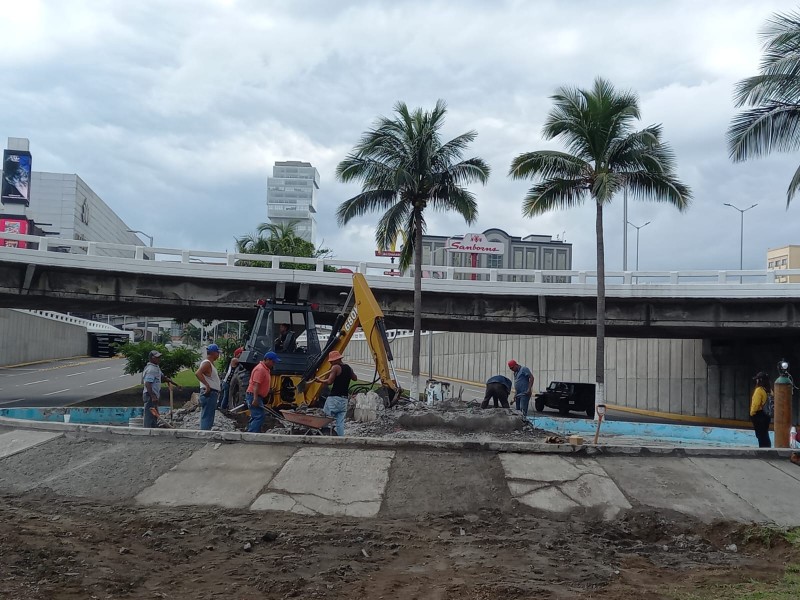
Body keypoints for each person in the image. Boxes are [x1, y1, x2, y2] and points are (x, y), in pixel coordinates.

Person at [314, 350, 356, 436]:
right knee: (340, 423)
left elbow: (329, 382)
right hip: (344, 399)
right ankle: (340, 439)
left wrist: (319, 380)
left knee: (325, 418)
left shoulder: (335, 367)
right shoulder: (348, 368)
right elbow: (355, 378)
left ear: (336, 360)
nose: (331, 363)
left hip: (334, 399)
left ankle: (323, 436)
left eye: (331, 361)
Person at [142, 350, 179, 428]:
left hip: (153, 394)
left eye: (159, 357)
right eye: (157, 357)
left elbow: (162, 377)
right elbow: (147, 383)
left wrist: (175, 384)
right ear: (152, 358)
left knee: (154, 414)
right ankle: (148, 430)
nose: (159, 359)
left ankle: (153, 429)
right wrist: (153, 396)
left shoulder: (156, 367)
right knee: (150, 414)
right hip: (149, 395)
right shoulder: (151, 369)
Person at [245, 351, 280, 433]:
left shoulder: (265, 369)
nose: (274, 364)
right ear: (267, 359)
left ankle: (250, 432)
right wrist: (255, 398)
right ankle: (252, 435)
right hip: (253, 395)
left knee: (256, 416)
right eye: (273, 362)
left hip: (256, 396)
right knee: (259, 416)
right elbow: (256, 385)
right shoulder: (260, 369)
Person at [195, 344, 221, 430]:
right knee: (207, 416)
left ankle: (206, 432)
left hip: (212, 393)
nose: (218, 355)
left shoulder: (210, 363)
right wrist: (207, 385)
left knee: (208, 415)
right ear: (213, 353)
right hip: (209, 393)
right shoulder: (207, 363)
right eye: (217, 353)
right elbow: (198, 373)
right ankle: (205, 434)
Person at [750, 371, 772, 448]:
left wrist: (752, 413)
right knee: (765, 433)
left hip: (759, 415)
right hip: (767, 415)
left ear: (760, 380)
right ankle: (767, 448)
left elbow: (756, 404)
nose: (756, 381)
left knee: (760, 435)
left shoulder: (759, 390)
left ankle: (763, 449)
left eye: (757, 379)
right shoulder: (769, 390)